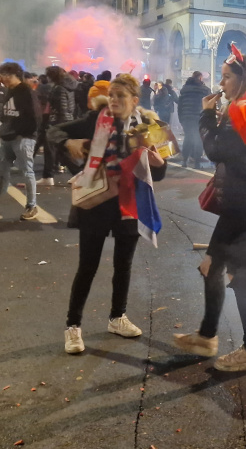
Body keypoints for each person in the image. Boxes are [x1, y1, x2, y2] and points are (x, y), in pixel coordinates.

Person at [173, 52, 246, 372]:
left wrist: (206, 117)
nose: (220, 83)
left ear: (244, 78)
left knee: (238, 276)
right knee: (211, 267)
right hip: (243, 202)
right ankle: (207, 336)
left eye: (227, 77)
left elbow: (217, 150)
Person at [49, 73, 167, 354]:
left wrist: (157, 161)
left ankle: (117, 317)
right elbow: (54, 132)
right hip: (97, 202)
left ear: (134, 100)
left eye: (120, 96)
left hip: (129, 203)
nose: (113, 100)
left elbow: (160, 172)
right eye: (111, 95)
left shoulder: (149, 126)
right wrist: (71, 149)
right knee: (87, 266)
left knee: (123, 265)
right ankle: (73, 326)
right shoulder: (95, 120)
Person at [0, 63, 41, 220]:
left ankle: (32, 205)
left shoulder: (26, 91)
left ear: (15, 75)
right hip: (7, 137)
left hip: (22, 138)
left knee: (27, 171)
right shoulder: (10, 90)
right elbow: (6, 113)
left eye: (6, 75)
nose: (3, 79)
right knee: (2, 172)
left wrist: (25, 134)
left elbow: (35, 117)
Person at [39, 66, 78, 186]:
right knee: (61, 150)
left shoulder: (59, 88)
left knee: (52, 148)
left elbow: (61, 107)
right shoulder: (68, 86)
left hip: (58, 121)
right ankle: (78, 173)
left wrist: (54, 124)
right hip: (66, 119)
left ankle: (48, 176)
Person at [178, 71, 210, 168]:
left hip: (186, 117)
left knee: (188, 137)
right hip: (199, 116)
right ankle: (197, 162)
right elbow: (209, 103)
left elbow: (180, 106)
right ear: (200, 78)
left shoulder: (184, 89)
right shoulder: (204, 89)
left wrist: (181, 119)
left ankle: (184, 160)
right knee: (198, 138)